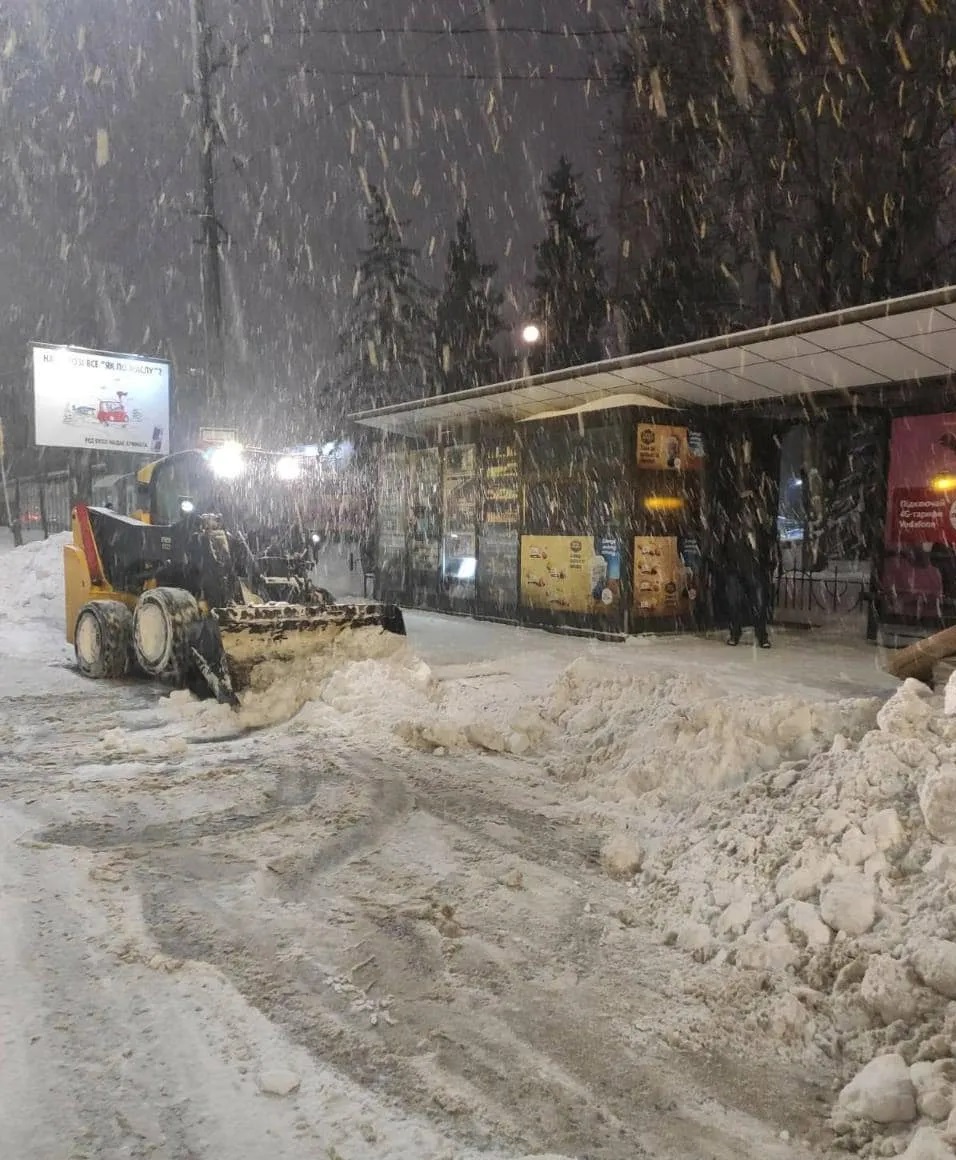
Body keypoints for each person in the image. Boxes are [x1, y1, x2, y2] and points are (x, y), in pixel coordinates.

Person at [722, 520, 772, 648]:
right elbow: (724, 550)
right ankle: (735, 633)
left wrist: (765, 568)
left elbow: (766, 552)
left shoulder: (760, 534)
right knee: (734, 604)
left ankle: (761, 636)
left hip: (754, 572)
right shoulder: (733, 533)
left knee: (759, 606)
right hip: (736, 572)